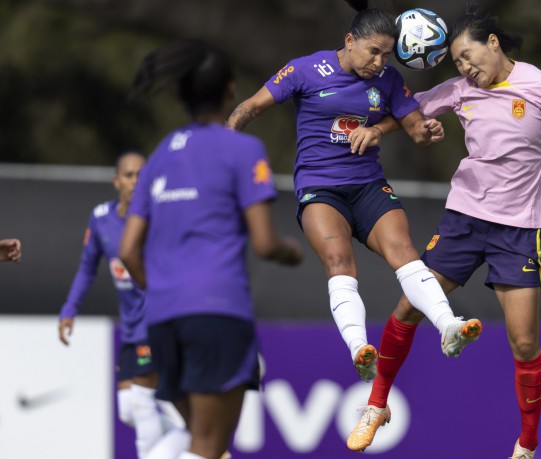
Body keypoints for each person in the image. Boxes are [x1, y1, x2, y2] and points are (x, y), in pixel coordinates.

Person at [346, 4, 541, 456]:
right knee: (409, 307)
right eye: (457, 62)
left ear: (493, 43)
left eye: (470, 56)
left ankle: (527, 444)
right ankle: (377, 404)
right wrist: (377, 131)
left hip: (519, 230)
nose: (466, 68)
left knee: (525, 341)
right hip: (465, 219)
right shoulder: (460, 89)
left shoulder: (540, 86)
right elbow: (411, 112)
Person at [226, 0, 482, 384]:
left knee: (405, 253)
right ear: (349, 40)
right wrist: (222, 143)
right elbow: (251, 106)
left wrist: (428, 131)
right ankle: (360, 349)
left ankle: (448, 327)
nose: (379, 62)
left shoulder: (389, 81)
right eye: (373, 51)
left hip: (368, 186)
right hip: (319, 187)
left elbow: (415, 128)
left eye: (386, 54)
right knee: (339, 261)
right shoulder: (305, 69)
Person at [120, 39, 303, 459]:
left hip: (163, 318)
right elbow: (264, 242)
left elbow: (130, 251)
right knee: (207, 447)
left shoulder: (160, 155)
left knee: (203, 445)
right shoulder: (242, 149)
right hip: (217, 313)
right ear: (230, 91)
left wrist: (165, 292)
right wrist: (289, 250)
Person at [58, 152, 170, 459]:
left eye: (141, 175)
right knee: (127, 411)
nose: (136, 181)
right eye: (130, 175)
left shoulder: (159, 215)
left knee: (143, 406)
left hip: (156, 323)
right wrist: (69, 309)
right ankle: (194, 440)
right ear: (116, 181)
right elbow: (87, 267)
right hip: (131, 327)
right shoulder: (101, 218)